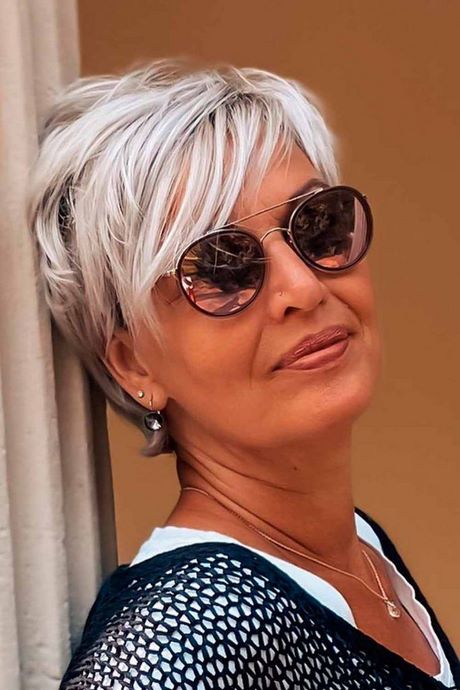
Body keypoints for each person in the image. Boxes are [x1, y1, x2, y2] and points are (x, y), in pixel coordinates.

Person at [27, 58, 458, 689]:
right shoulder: (184, 637)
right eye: (223, 266)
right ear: (134, 363)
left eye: (319, 226)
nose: (303, 288)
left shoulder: (356, 556)